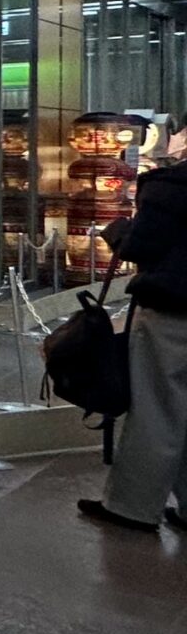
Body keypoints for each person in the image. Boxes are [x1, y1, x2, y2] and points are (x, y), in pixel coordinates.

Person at [81, 152, 187, 531]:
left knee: (157, 409)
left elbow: (141, 247)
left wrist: (119, 233)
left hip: (170, 311)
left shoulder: (171, 187)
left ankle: (133, 507)